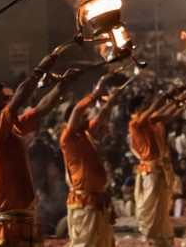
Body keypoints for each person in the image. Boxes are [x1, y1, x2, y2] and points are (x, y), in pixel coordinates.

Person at [0, 52, 80, 247]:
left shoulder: (14, 126)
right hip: (10, 222)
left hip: (25, 218)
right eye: (5, 98)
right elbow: (20, 99)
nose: (11, 100)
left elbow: (42, 108)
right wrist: (40, 69)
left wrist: (63, 84)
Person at [60, 76, 122, 247]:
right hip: (83, 201)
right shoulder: (68, 137)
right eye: (84, 117)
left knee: (103, 242)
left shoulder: (86, 133)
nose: (87, 119)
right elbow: (76, 111)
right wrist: (95, 93)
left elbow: (101, 116)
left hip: (97, 199)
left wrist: (111, 100)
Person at [128, 88, 185, 247]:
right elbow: (155, 110)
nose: (148, 107)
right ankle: (152, 240)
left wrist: (180, 103)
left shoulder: (151, 122)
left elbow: (167, 115)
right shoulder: (135, 123)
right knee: (151, 208)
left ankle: (161, 241)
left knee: (161, 208)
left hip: (159, 170)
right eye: (144, 105)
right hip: (150, 171)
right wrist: (167, 96)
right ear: (137, 109)